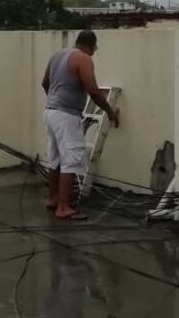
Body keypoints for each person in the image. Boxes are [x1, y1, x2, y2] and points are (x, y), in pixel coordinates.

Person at [41, 30, 120, 221]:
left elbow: (44, 83)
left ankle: (53, 199)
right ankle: (63, 207)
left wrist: (56, 100)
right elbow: (92, 89)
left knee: (55, 158)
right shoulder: (83, 59)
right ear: (90, 45)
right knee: (71, 158)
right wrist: (109, 111)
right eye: (95, 47)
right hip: (66, 115)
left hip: (50, 111)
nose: (94, 51)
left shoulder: (58, 55)